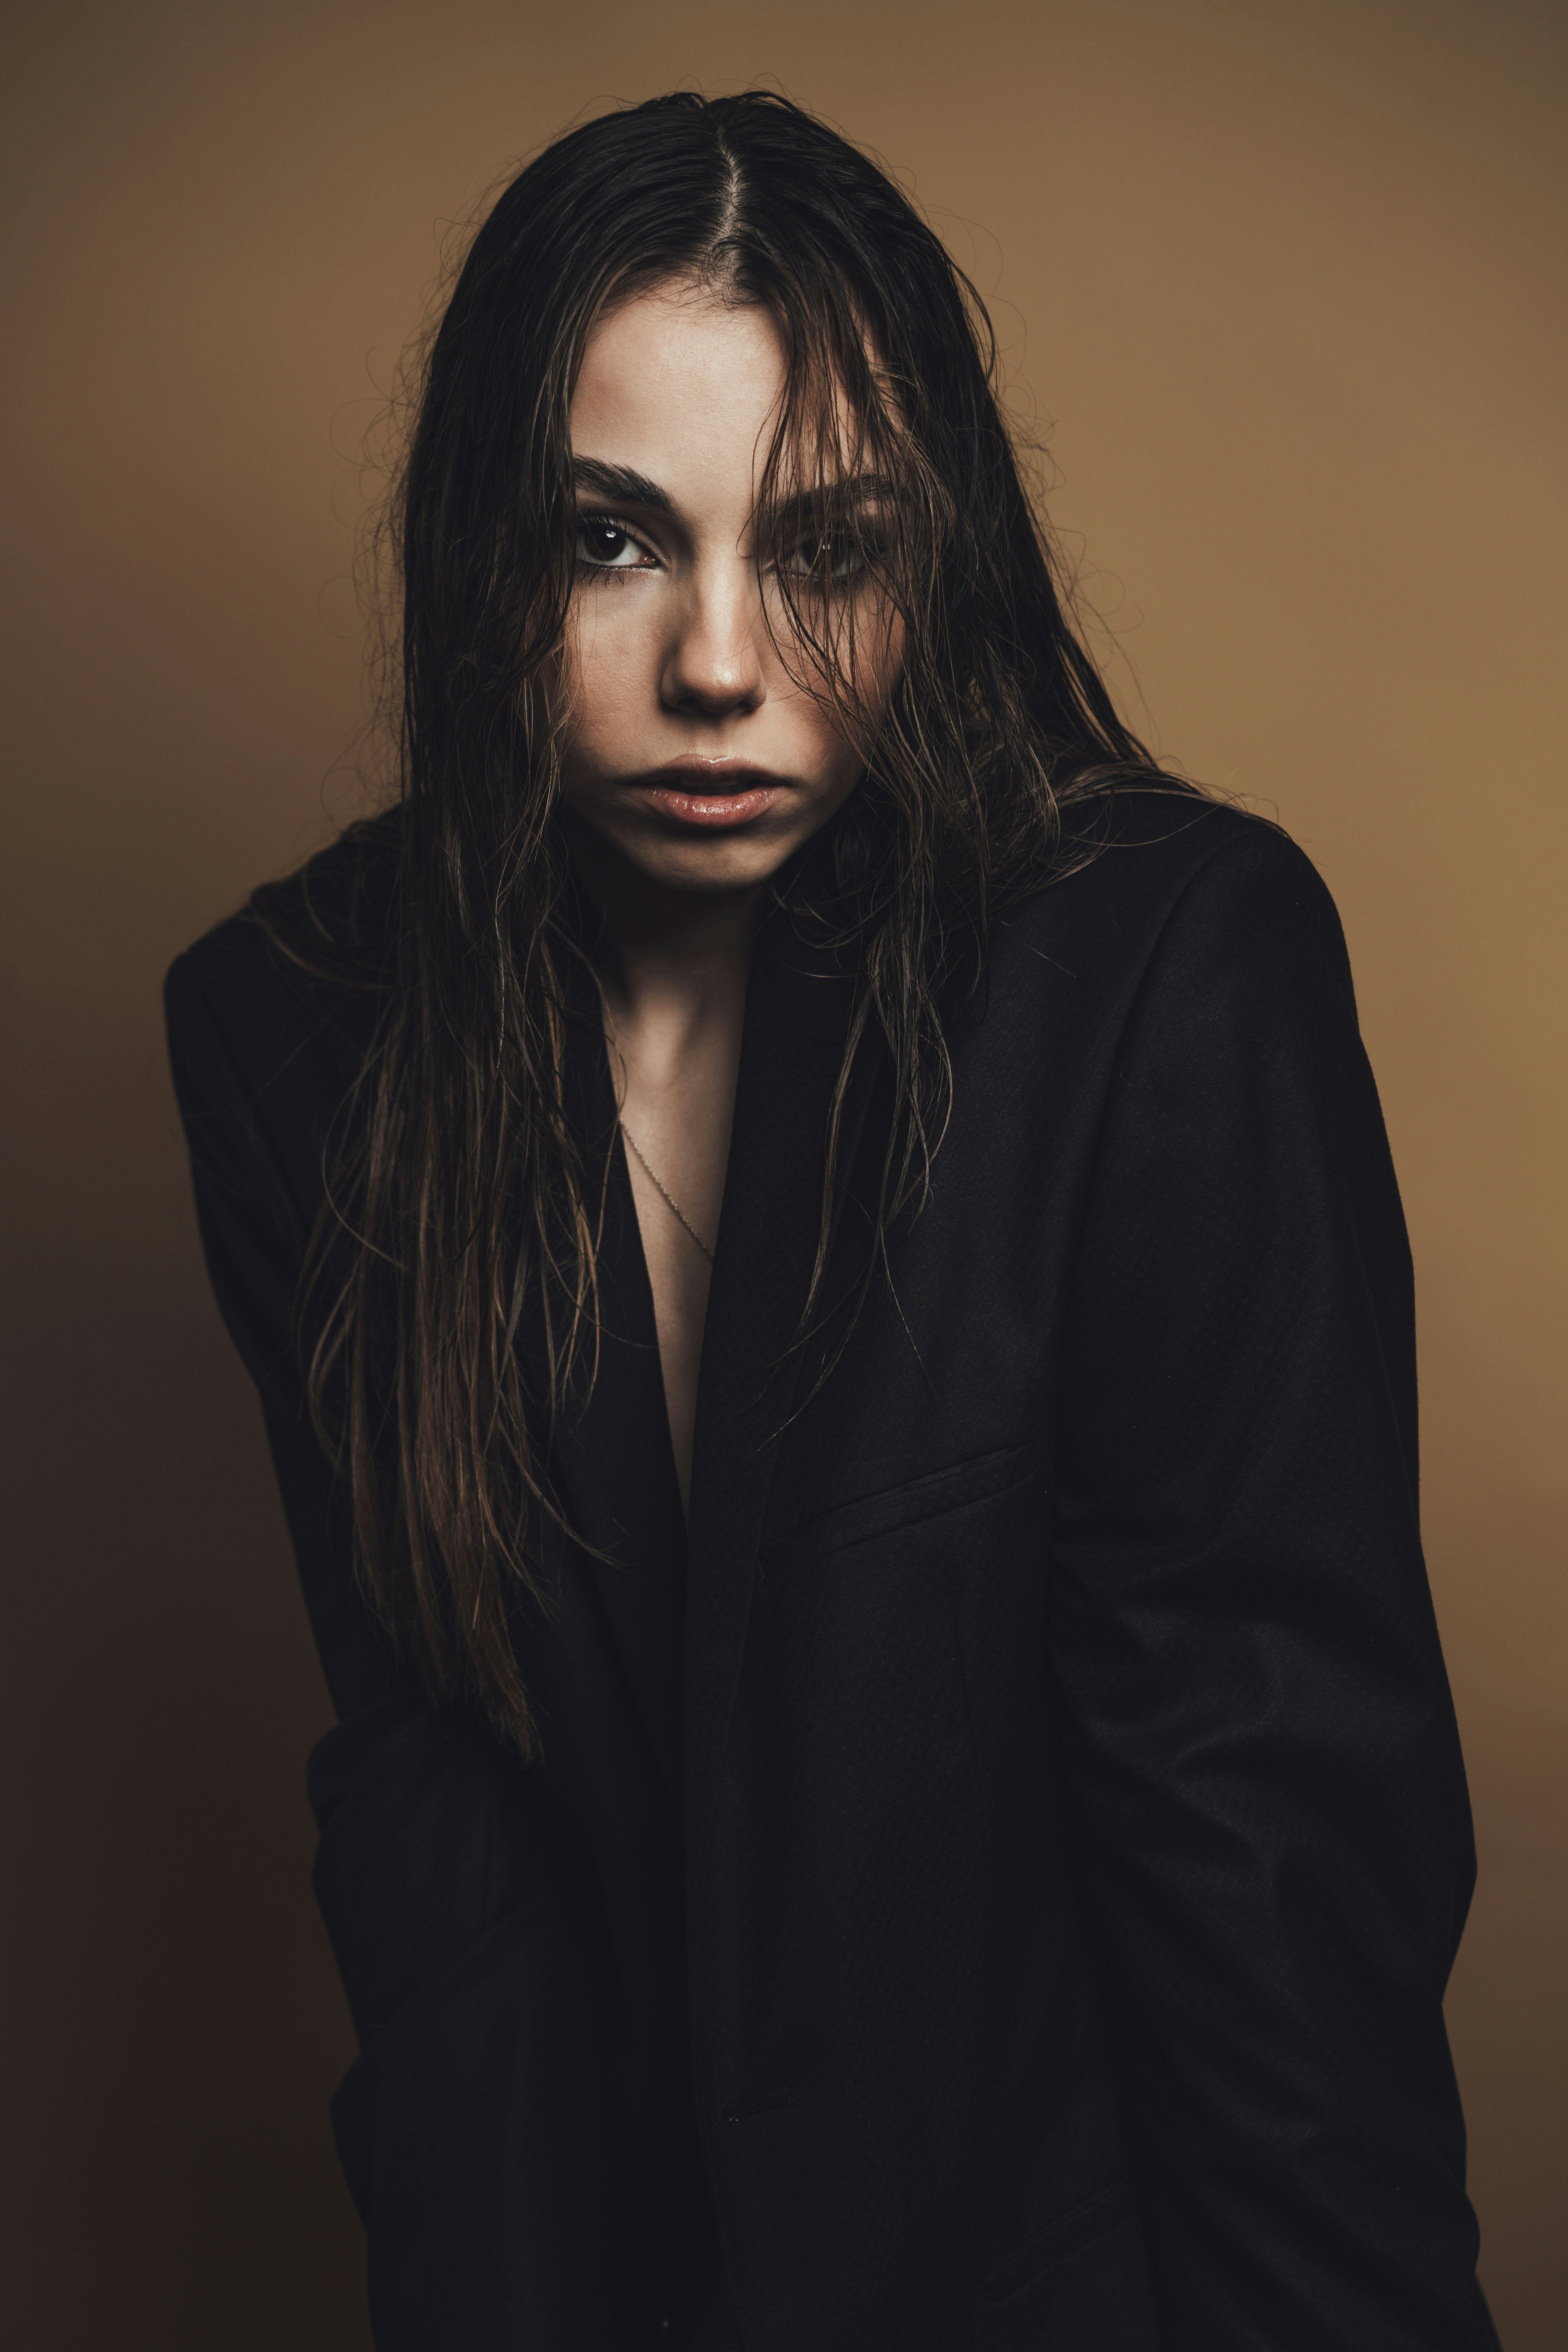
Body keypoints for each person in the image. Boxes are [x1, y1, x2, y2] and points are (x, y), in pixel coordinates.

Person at [165, 90, 1498, 2352]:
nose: (718, 661)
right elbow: (445, 1847)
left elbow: (1265, 1864)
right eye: (610, 539)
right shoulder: (305, 1036)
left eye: (825, 546)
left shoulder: (1168, 973)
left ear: (937, 551)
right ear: (480, 549)